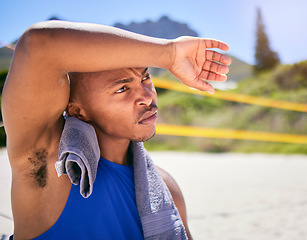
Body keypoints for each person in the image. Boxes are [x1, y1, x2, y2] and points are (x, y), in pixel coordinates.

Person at [2, 20, 231, 239]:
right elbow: (39, 43)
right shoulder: (48, 165)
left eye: (146, 78)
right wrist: (169, 54)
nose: (146, 96)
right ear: (77, 110)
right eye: (122, 88)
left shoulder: (166, 187)